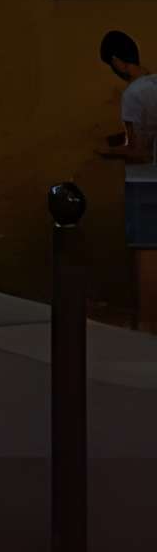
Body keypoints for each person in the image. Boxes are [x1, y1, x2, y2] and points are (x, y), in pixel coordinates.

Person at [101, 28, 157, 330]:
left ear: (117, 61)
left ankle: (147, 324)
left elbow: (139, 152)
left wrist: (107, 152)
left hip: (146, 184)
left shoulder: (133, 94)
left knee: (147, 255)